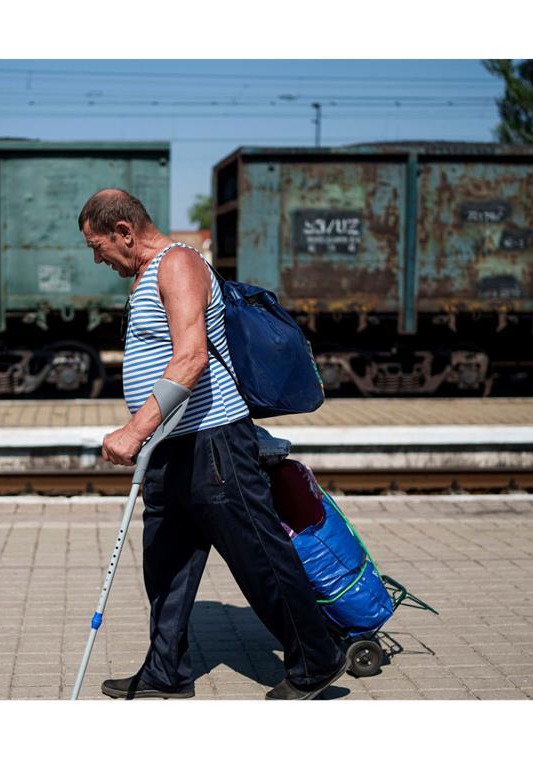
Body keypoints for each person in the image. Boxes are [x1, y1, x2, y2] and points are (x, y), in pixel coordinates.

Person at [78, 188, 348, 700]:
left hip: (214, 442)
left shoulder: (177, 264)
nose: (97, 257)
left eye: (97, 245)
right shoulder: (147, 273)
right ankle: (166, 671)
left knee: (258, 556)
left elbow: (191, 358)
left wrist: (134, 430)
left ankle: (317, 658)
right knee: (167, 564)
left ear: (124, 232)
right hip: (173, 446)